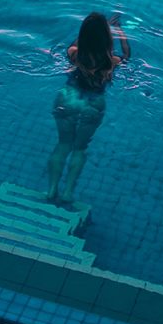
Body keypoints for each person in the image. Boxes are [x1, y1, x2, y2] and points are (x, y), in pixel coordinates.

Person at [47, 11, 130, 205]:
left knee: (63, 145)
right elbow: (127, 54)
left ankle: (51, 190)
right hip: (93, 103)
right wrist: (117, 30)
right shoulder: (112, 62)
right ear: (106, 39)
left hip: (68, 98)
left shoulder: (74, 55)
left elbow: (75, 44)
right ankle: (67, 192)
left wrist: (87, 33)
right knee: (79, 149)